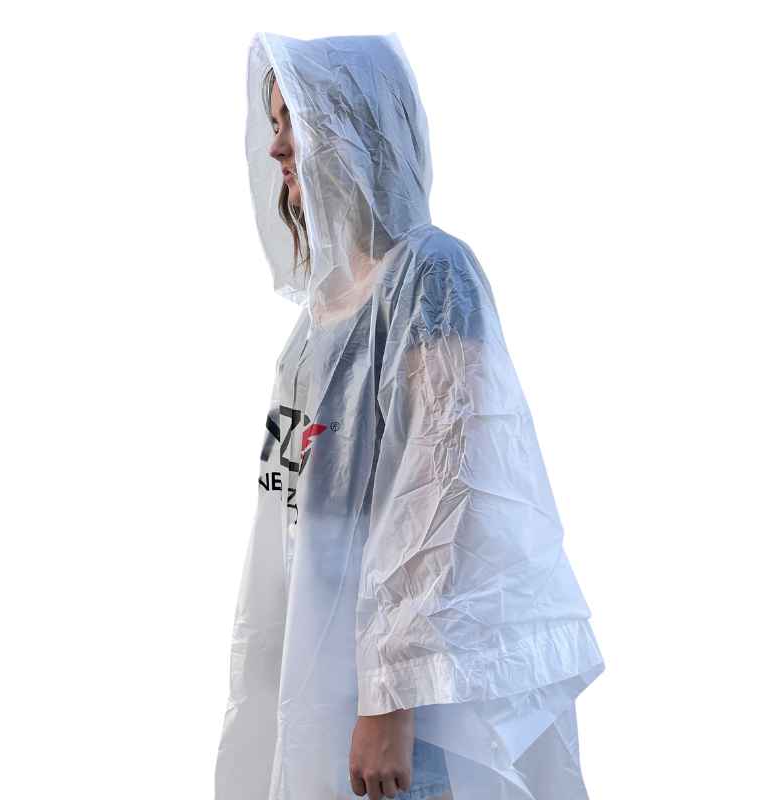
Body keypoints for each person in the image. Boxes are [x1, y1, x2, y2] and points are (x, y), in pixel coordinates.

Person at [215, 32, 605, 800]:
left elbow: (445, 489)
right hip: (323, 673)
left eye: (297, 120)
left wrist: (389, 700)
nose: (277, 147)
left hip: (401, 704)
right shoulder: (319, 318)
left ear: (353, 125)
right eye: (275, 123)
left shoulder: (429, 274)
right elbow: (295, 512)